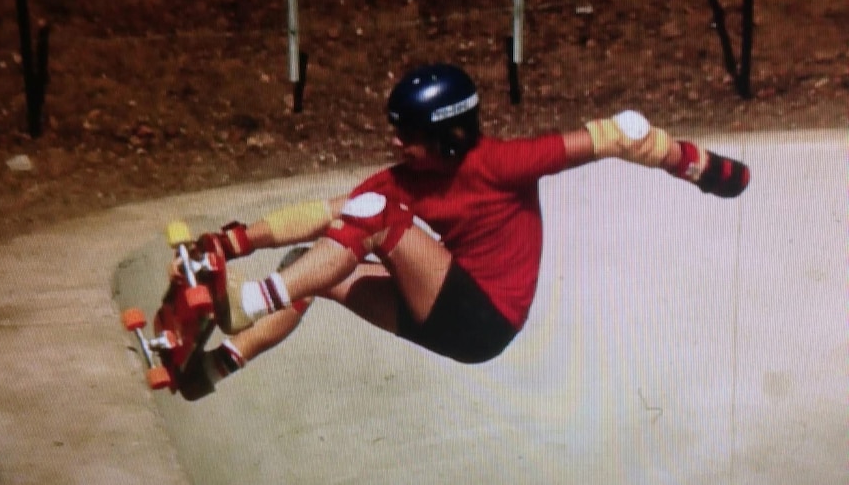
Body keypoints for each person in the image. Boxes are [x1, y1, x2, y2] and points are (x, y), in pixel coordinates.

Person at [177, 63, 750, 400]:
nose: (396, 143)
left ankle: (250, 302)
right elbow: (328, 213)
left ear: (448, 135)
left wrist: (703, 168)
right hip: (444, 322)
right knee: (315, 265)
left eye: (408, 134)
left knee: (373, 218)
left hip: (484, 317)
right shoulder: (402, 180)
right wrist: (235, 241)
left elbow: (615, 139)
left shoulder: (502, 163)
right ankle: (213, 368)